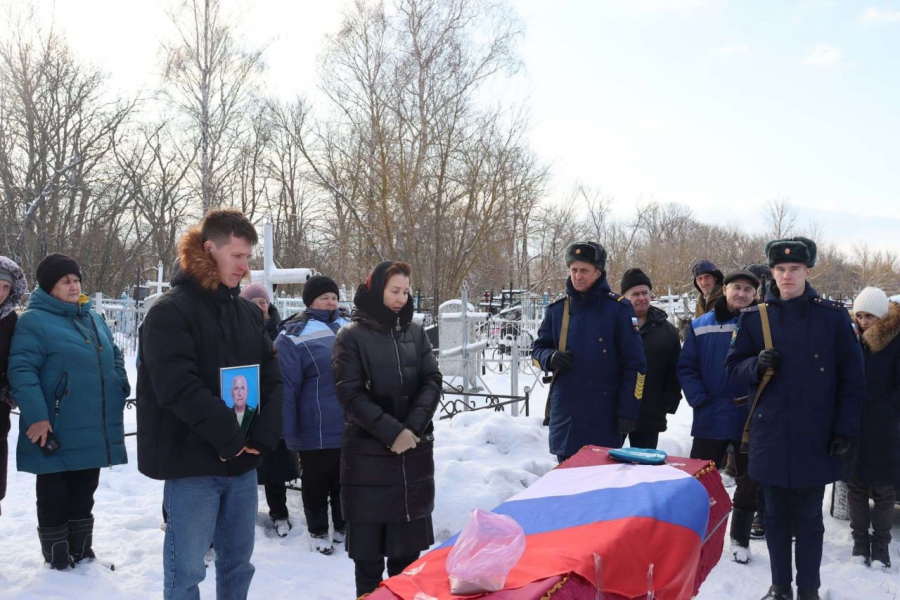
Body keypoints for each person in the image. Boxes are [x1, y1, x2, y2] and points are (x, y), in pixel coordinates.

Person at [136, 208, 284, 599]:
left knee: (238, 564)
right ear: (208, 249)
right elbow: (175, 387)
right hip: (191, 466)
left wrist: (261, 436)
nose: (244, 267)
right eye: (236, 256)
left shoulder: (247, 315)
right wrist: (230, 437)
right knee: (186, 570)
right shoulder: (169, 313)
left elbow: (272, 378)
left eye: (248, 258)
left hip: (243, 463)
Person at [725, 236, 865, 600]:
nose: (787, 276)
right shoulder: (756, 319)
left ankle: (809, 590)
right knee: (772, 518)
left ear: (808, 271)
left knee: (808, 520)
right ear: (772, 273)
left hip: (814, 436)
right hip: (770, 435)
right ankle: (780, 586)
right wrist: (755, 365)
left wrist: (845, 430)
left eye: (795, 269)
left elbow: (853, 380)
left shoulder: (832, 318)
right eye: (781, 270)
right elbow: (732, 369)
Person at [9, 253, 129, 570]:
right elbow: (22, 371)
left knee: (85, 489)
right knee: (54, 492)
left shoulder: (92, 317)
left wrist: (120, 383)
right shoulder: (34, 321)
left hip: (93, 422)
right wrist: (36, 416)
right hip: (56, 424)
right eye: (66, 281)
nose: (74, 286)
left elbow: (115, 354)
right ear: (50, 287)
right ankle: (57, 557)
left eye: (76, 280)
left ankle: (82, 550)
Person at [332, 261, 442, 597]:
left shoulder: (415, 332)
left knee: (406, 563)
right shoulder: (351, 337)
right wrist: (391, 432)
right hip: (369, 462)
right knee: (368, 563)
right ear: (377, 289)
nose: (401, 298)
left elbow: (432, 380)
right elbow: (349, 394)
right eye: (394, 290)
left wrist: (412, 428)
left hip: (412, 460)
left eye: (405, 291)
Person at [532, 241, 647, 462]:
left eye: (584, 270)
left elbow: (636, 366)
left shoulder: (619, 309)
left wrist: (628, 411)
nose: (578, 276)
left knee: (601, 487)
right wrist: (550, 357)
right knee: (567, 486)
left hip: (604, 417)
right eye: (573, 270)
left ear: (598, 272)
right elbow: (537, 352)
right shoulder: (557, 310)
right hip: (567, 417)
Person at [678, 269, 761, 565]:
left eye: (748, 290)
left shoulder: (763, 327)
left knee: (748, 481)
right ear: (724, 290)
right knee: (699, 479)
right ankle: (694, 534)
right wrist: (699, 400)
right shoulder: (701, 326)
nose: (741, 293)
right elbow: (686, 367)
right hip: (711, 414)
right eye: (736, 287)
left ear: (756, 295)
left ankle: (739, 538)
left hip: (748, 418)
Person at [276, 275, 350, 554]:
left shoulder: (350, 325)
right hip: (314, 425)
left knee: (345, 480)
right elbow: (287, 386)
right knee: (317, 482)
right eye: (324, 298)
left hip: (350, 422)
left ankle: (343, 526)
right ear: (310, 301)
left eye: (333, 297)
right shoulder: (294, 334)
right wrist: (289, 431)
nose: (330, 302)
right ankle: (319, 531)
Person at [239, 281, 300, 539]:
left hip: (273, 404)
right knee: (242, 467)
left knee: (274, 464)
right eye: (254, 302)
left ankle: (279, 513)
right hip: (243, 404)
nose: (260, 306)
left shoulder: (279, 333)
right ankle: (242, 515)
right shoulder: (234, 330)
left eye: (263, 302)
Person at [846, 287, 900, 570]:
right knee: (855, 485)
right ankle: (859, 542)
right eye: (860, 315)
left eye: (869, 316)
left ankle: (881, 544)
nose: (863, 321)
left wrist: (887, 410)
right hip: (855, 422)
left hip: (884, 426)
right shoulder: (854, 340)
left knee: (882, 489)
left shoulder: (895, 340)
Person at [619, 268, 681, 449]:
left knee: (643, 467)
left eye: (645, 293)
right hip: (615, 411)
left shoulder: (667, 330)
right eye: (635, 294)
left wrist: (668, 402)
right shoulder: (613, 325)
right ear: (624, 296)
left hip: (650, 412)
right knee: (611, 467)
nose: (641, 298)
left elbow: (674, 370)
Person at [0, 256, 27, 518]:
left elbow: (16, 361)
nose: (0, 292)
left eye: (6, 287)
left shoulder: (10, 321)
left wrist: (7, 396)